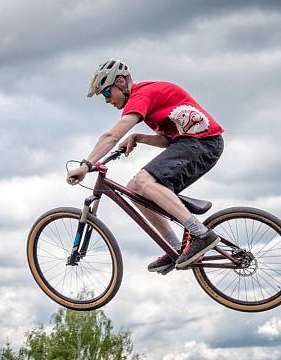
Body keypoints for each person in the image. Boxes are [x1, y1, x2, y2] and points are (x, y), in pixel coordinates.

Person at [66, 59, 224, 273]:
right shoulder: (150, 102)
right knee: (135, 189)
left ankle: (201, 234)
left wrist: (86, 165)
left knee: (143, 180)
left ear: (121, 82)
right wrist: (139, 137)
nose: (106, 101)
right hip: (194, 143)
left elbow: (112, 136)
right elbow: (170, 141)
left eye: (106, 93)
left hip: (203, 143)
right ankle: (175, 249)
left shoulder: (142, 95)